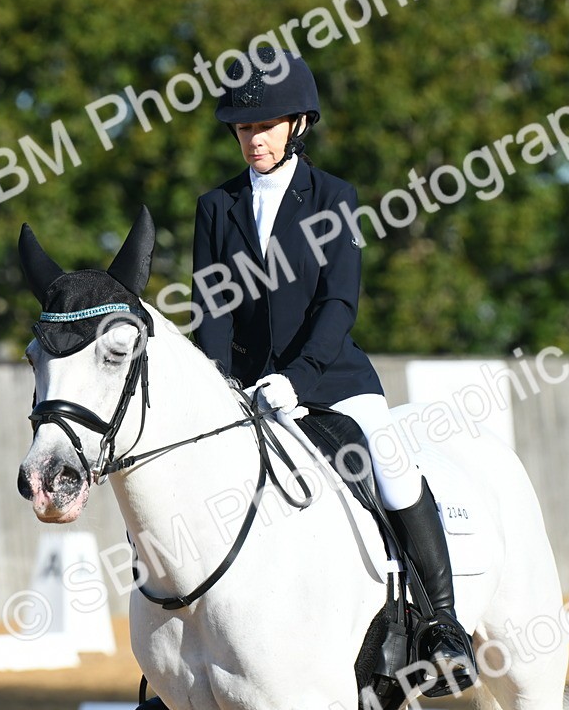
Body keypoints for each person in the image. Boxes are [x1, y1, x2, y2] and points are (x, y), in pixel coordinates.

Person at [190, 47, 476, 695]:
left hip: (330, 377)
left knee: (393, 460)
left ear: (297, 124)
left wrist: (298, 376)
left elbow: (338, 301)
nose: (252, 139)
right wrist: (218, 386)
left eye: (263, 127)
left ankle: (443, 624)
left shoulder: (333, 198)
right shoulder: (216, 208)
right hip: (245, 392)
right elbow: (211, 307)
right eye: (242, 129)